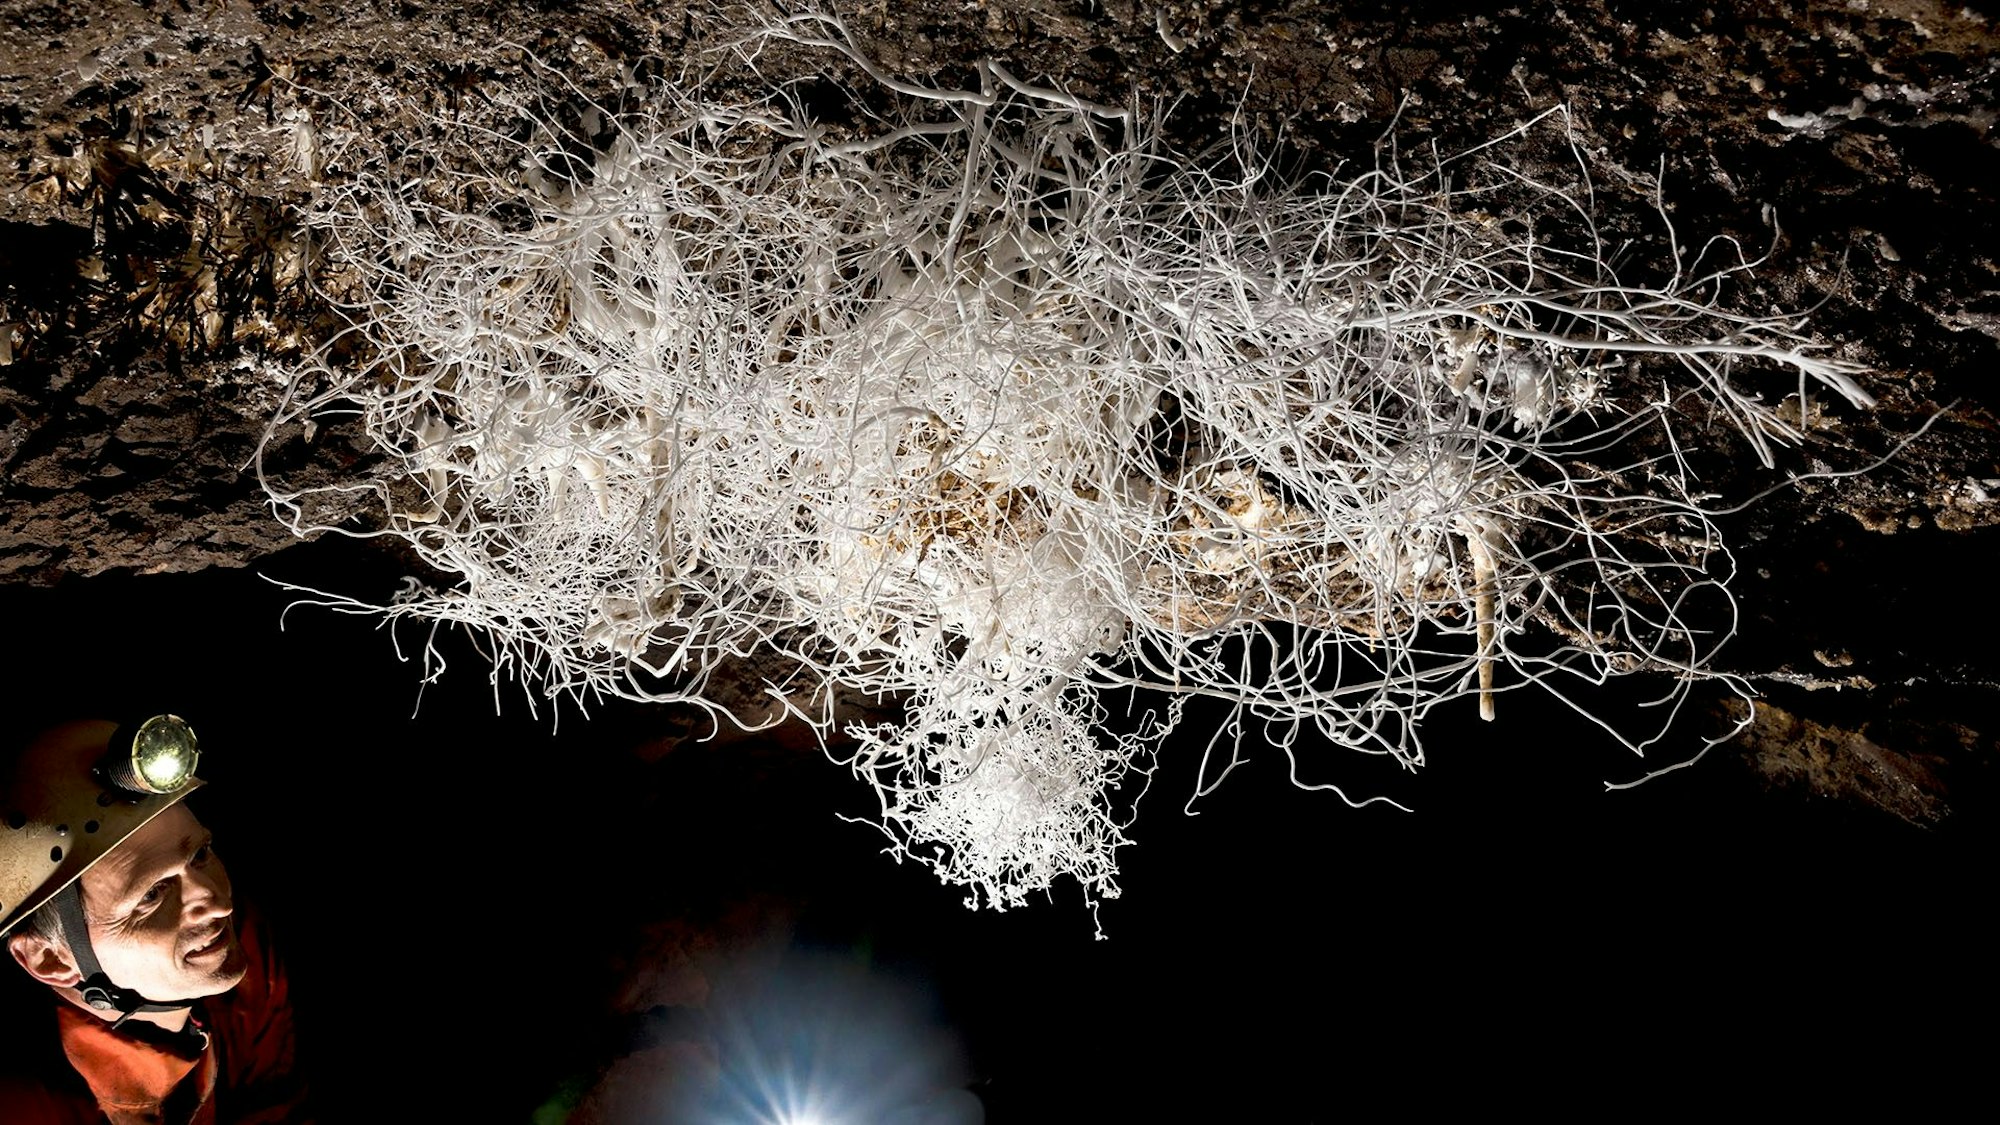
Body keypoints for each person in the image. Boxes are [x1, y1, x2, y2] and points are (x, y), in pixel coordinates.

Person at [0, 718, 311, 1123]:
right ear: (50, 959)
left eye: (200, 855)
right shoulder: (22, 1107)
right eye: (151, 894)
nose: (216, 902)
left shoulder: (245, 962)